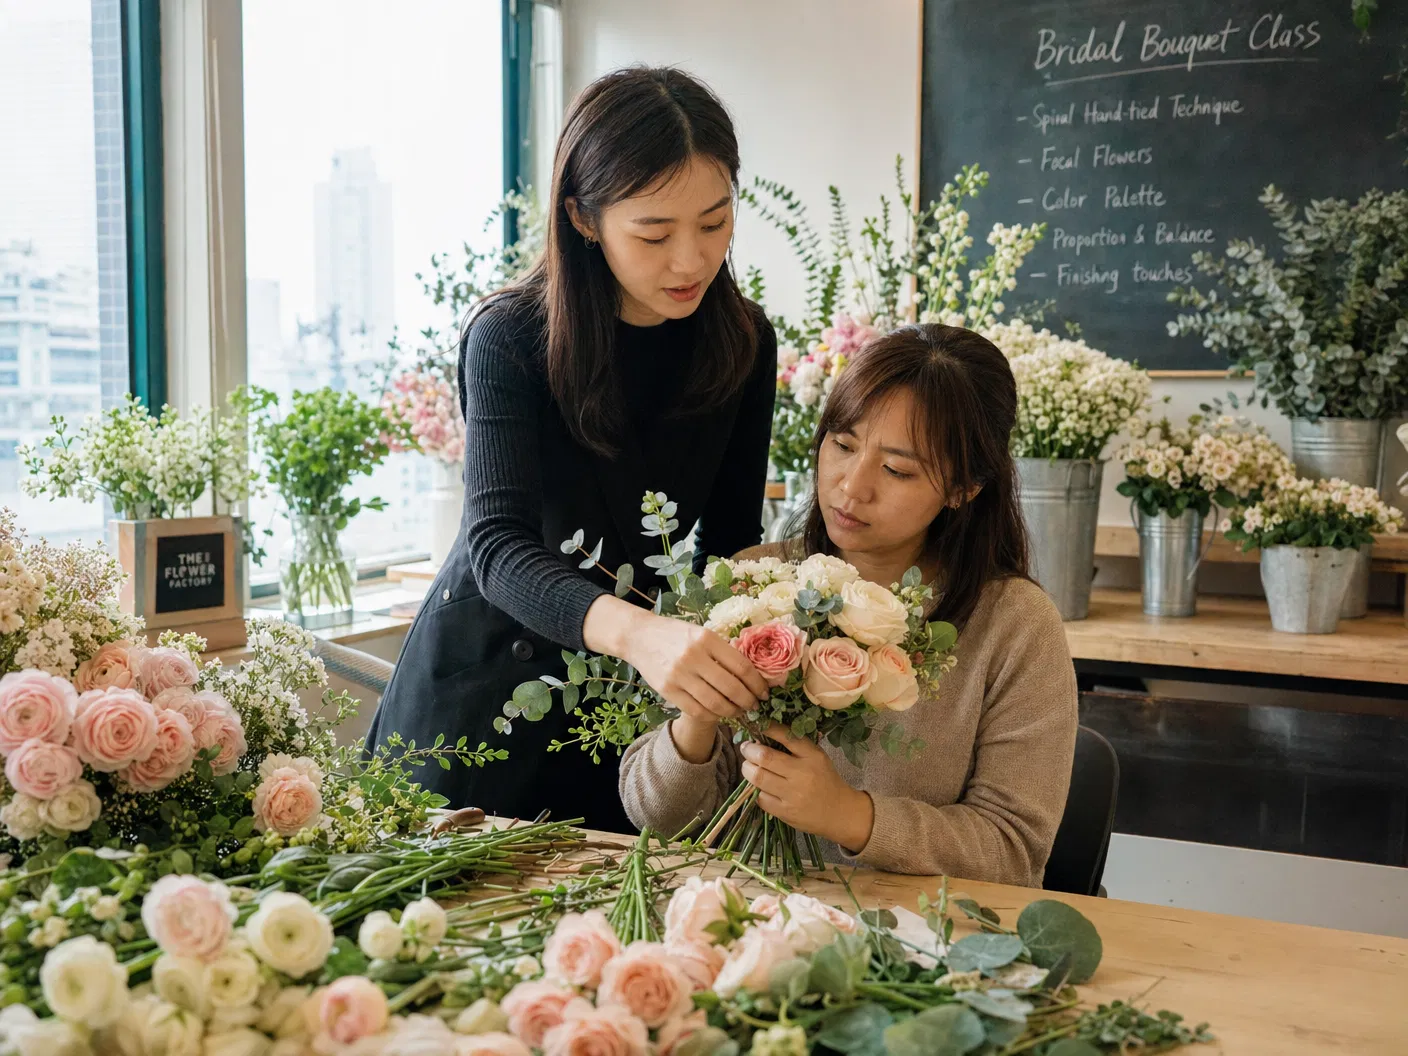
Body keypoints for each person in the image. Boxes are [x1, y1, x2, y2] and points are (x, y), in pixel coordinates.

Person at [368, 67, 777, 832]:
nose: (690, 260)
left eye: (715, 222)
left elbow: (729, 545)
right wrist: (644, 635)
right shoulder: (511, 336)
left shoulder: (743, 343)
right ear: (583, 219)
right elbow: (496, 545)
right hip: (484, 690)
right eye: (653, 233)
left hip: (618, 712)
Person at [619, 324, 1078, 885]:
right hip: (739, 916)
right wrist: (695, 716)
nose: (850, 487)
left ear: (965, 488)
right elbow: (656, 817)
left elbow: (1013, 853)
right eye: (842, 444)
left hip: (920, 941)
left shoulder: (1015, 625)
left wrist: (851, 817)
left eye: (897, 469)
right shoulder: (750, 579)